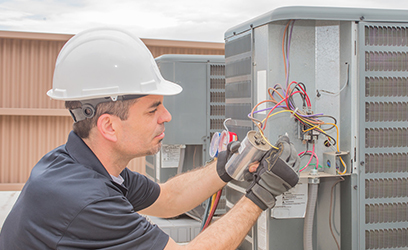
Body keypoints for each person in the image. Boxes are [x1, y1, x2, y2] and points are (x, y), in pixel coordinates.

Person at [0, 27, 300, 250]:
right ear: (109, 126)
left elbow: (168, 199)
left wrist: (226, 167)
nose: (166, 116)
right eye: (153, 109)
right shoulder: (86, 200)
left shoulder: (82, 166)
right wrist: (262, 195)